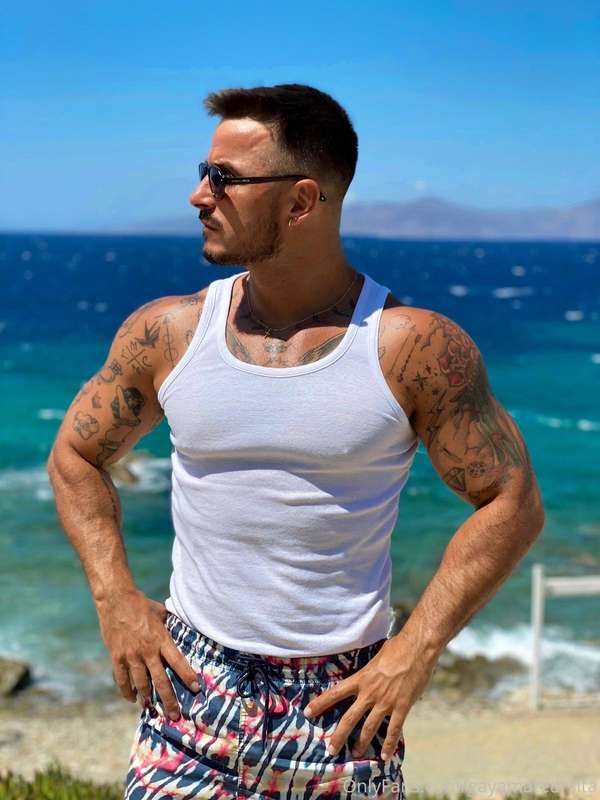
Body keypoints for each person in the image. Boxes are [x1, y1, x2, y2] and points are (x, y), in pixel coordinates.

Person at [47, 83, 545, 799]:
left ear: (301, 201)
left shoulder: (411, 348)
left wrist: (415, 651)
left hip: (342, 711)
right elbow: (75, 454)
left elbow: (511, 502)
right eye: (203, 172)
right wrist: (114, 598)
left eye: (223, 177)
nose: (199, 195)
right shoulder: (168, 333)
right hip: (189, 699)